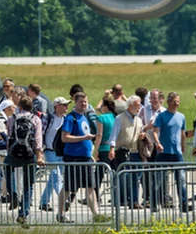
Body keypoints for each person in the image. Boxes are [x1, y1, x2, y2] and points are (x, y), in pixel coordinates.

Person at [58, 92, 108, 224]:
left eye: (85, 102)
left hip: (85, 158)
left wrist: (90, 154)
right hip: (73, 158)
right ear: (75, 102)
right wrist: (84, 138)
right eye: (81, 102)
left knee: (90, 187)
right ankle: (61, 213)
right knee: (69, 187)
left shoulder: (84, 117)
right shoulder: (71, 118)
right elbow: (65, 137)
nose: (84, 104)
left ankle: (96, 214)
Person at [5, 96, 44, 226]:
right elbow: (38, 140)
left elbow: (9, 135)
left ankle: (13, 194)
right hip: (29, 154)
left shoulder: (12, 118)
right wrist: (39, 156)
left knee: (8, 168)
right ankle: (23, 213)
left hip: (14, 152)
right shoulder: (35, 119)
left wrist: (9, 150)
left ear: (19, 106)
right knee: (28, 185)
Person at [150, 91, 189, 214]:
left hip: (177, 153)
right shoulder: (162, 116)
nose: (177, 103)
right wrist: (157, 143)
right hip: (164, 152)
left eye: (178, 101)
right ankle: (154, 203)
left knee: (181, 179)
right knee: (158, 179)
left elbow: (182, 133)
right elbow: (155, 131)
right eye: (174, 101)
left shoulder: (181, 116)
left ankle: (183, 203)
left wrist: (183, 145)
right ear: (169, 102)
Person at [110, 96, 144, 208]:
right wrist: (112, 149)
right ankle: (120, 199)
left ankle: (134, 201)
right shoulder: (119, 118)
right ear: (130, 106)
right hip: (122, 152)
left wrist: (142, 136)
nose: (139, 108)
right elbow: (114, 135)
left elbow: (140, 131)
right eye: (137, 105)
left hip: (135, 152)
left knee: (136, 178)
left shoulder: (138, 120)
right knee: (122, 177)